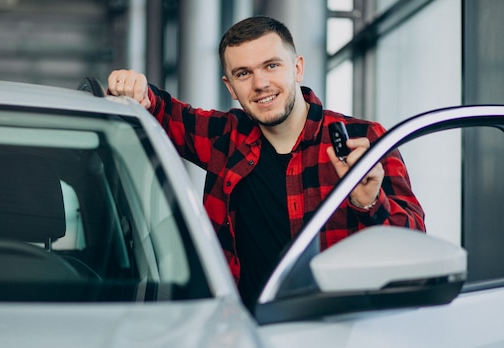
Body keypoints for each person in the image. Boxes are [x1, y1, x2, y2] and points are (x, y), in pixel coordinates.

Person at [107, 16, 425, 309]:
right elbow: (163, 111)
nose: (260, 84)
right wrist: (136, 90)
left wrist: (369, 202)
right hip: (243, 336)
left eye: (271, 66)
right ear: (230, 87)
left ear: (297, 68)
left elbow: (413, 244)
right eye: (243, 74)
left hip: (338, 335)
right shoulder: (227, 138)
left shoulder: (364, 139)